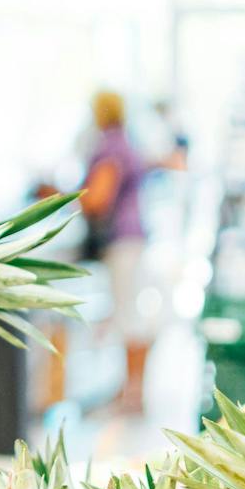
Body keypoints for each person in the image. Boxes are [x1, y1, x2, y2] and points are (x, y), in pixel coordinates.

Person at [80, 89, 149, 413]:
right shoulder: (126, 141)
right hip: (132, 236)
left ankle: (131, 394)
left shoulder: (109, 147)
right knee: (128, 311)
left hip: (121, 240)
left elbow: (98, 198)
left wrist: (62, 197)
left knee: (126, 313)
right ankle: (130, 390)